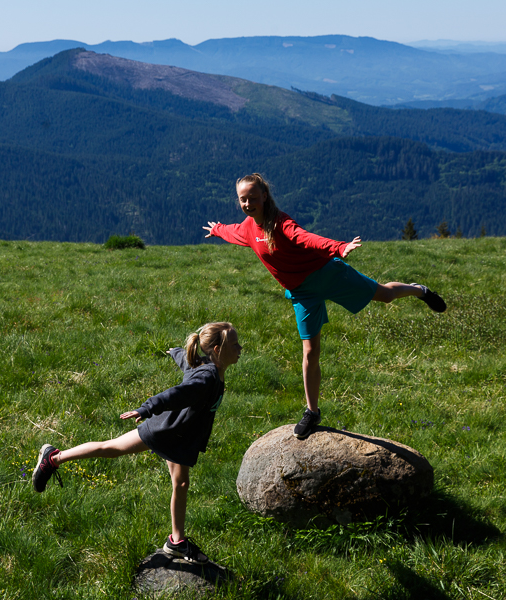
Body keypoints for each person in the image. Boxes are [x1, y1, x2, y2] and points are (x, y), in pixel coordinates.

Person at [203, 173, 445, 439]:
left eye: (252, 198)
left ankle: (420, 291)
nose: (248, 204)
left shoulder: (281, 223)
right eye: (242, 199)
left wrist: (338, 247)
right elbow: (231, 232)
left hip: (328, 274)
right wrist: (216, 229)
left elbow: (306, 238)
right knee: (310, 352)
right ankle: (312, 411)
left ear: (264, 195)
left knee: (385, 295)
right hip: (302, 293)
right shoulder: (248, 228)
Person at [31, 322, 242, 565]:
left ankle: (176, 541)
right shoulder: (207, 377)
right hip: (165, 431)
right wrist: (147, 408)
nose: (240, 348)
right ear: (217, 349)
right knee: (110, 448)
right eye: (235, 344)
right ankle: (53, 458)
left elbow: (187, 362)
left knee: (181, 482)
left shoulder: (207, 367)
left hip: (178, 437)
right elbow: (178, 394)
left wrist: (175, 352)